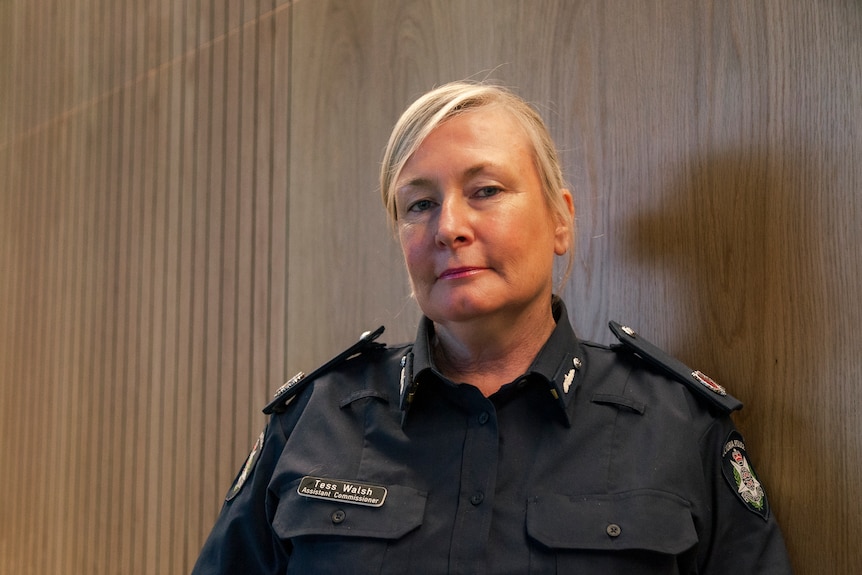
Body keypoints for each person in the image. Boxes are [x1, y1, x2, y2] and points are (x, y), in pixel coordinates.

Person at [191, 81, 792, 574]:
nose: (448, 226)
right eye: (418, 205)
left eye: (485, 190)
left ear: (561, 220)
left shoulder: (677, 428)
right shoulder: (315, 423)